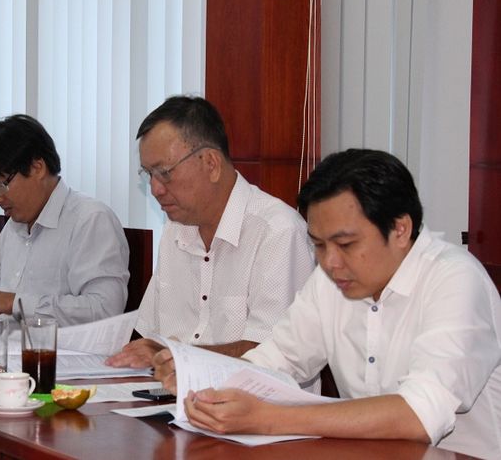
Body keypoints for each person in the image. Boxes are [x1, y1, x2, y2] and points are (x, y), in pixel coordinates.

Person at [157, 149, 501, 458]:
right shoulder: (333, 280)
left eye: (346, 244)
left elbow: (419, 416)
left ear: (400, 229)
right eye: (319, 245)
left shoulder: (454, 279)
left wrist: (271, 419)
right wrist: (202, 381)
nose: (330, 262)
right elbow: (276, 361)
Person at [108, 96, 313, 367]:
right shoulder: (174, 229)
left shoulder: (277, 232)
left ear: (211, 164)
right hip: (171, 391)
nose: (155, 189)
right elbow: (151, 337)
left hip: (247, 393)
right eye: (148, 174)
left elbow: (275, 355)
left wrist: (179, 358)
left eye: (164, 173)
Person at [0, 114, 129, 326]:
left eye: (0, 184)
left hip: (66, 348)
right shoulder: (11, 230)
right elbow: (6, 311)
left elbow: (105, 311)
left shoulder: (90, 220)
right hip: (12, 346)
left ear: (37, 168)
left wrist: (13, 303)